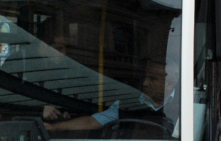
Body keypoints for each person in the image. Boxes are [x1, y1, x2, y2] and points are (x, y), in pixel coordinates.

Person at [46, 58, 177, 135]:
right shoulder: (128, 103)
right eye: (146, 77)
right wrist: (55, 127)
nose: (145, 83)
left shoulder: (185, 105)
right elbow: (91, 122)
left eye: (152, 79)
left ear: (169, 84)